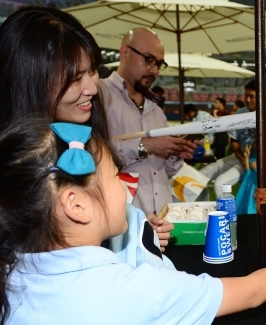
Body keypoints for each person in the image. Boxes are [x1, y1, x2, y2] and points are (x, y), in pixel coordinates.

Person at [0, 114, 266, 325]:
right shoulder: (139, 292)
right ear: (76, 205)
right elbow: (251, 290)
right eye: (117, 176)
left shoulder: (13, 280)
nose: (127, 188)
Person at [0, 7, 180, 251]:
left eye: (92, 70)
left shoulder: (89, 130)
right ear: (30, 80)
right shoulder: (19, 164)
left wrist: (135, 233)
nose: (92, 88)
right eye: (75, 78)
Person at [99, 28, 195, 216]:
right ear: (125, 53)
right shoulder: (99, 94)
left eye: (159, 64)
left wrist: (175, 152)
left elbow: (165, 171)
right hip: (121, 223)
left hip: (163, 219)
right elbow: (92, 152)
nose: (155, 71)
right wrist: (144, 146)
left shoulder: (157, 112)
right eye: (149, 60)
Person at [198, 80, 257, 199]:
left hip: (255, 161)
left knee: (220, 184)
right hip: (239, 155)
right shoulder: (240, 113)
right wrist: (241, 158)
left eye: (252, 96)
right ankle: (200, 210)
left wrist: (247, 162)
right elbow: (234, 140)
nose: (248, 99)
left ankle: (230, 216)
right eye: (246, 95)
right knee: (201, 176)